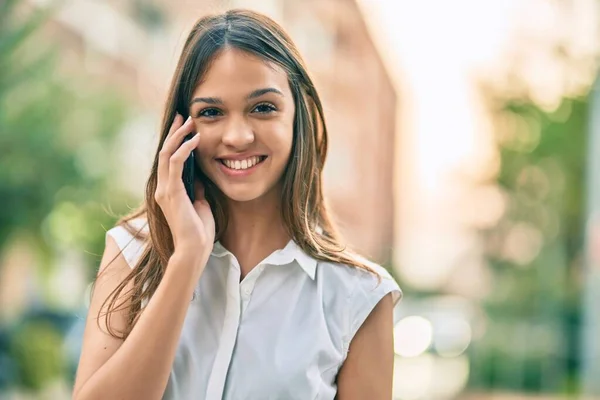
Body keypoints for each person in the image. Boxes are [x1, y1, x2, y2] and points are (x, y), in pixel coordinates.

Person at [72, 8, 402, 400]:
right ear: (181, 128)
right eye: (211, 112)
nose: (238, 136)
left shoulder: (359, 296)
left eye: (263, 107)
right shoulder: (132, 251)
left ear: (300, 116)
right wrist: (187, 259)